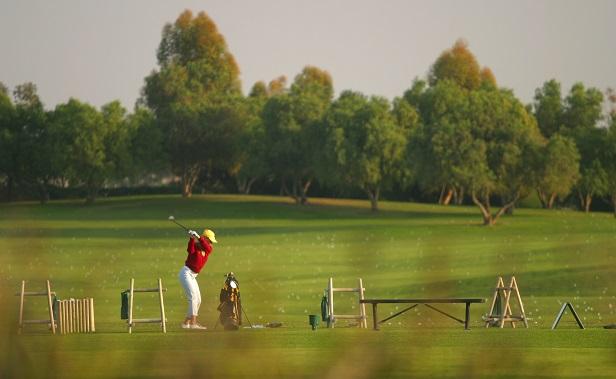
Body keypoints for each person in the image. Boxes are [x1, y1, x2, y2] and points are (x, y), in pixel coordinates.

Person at [178, 228, 217, 329]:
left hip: (193, 275)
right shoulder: (195, 245)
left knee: (198, 299)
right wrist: (191, 239)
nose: (211, 243)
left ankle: (186, 323)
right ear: (206, 238)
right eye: (210, 240)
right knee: (193, 298)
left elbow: (208, 248)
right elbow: (190, 251)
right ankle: (193, 323)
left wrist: (199, 238)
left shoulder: (208, 249)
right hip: (186, 273)